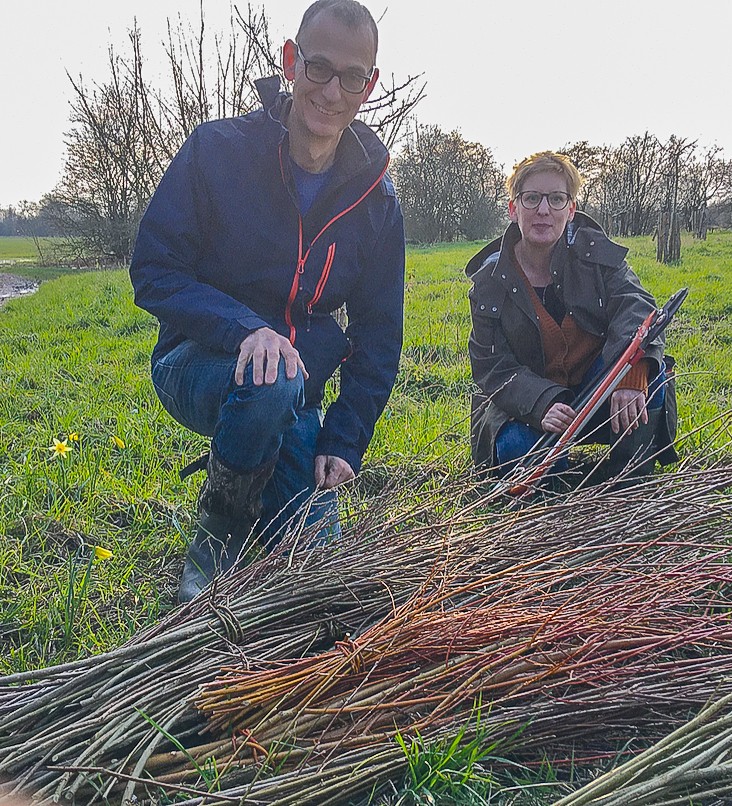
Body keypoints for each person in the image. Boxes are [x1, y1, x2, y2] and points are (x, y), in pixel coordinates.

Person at [130, 0, 405, 602]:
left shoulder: (378, 201)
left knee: (316, 572)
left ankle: (266, 495)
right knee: (270, 377)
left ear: (370, 86)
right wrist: (243, 329)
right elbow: (153, 271)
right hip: (196, 364)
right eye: (318, 68)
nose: (332, 91)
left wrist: (343, 441)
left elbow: (380, 338)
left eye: (352, 77)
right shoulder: (215, 152)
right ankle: (217, 537)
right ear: (290, 61)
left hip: (297, 397)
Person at [466, 151, 677, 488]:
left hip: (598, 388)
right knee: (521, 453)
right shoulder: (489, 279)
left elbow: (636, 307)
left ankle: (626, 485)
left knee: (652, 380)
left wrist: (632, 372)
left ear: (571, 209)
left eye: (556, 198)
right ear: (513, 209)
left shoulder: (597, 254)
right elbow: (491, 365)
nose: (543, 210)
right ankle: (559, 495)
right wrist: (542, 403)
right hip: (528, 404)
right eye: (531, 198)